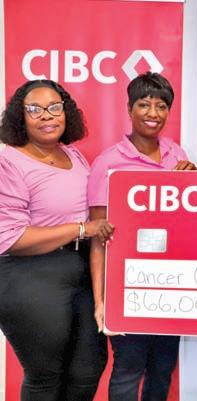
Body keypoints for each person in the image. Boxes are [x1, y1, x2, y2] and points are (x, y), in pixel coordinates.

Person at [0, 80, 112, 401]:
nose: (47, 115)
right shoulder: (9, 161)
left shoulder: (73, 155)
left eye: (54, 107)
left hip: (80, 269)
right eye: (35, 109)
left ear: (66, 113)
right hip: (29, 276)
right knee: (46, 377)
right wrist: (82, 229)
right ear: (20, 117)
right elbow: (10, 237)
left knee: (87, 371)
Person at [87, 71, 196, 401]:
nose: (153, 113)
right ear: (129, 109)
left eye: (161, 106)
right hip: (127, 285)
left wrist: (194, 180)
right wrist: (101, 301)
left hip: (171, 284)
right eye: (144, 104)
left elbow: (189, 222)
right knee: (128, 368)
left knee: (162, 368)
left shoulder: (178, 155)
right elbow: (98, 236)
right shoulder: (108, 163)